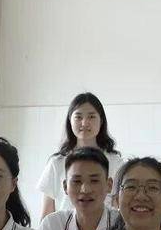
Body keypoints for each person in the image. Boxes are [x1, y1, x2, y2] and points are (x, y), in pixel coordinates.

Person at [37, 92, 123, 220]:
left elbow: (119, 207)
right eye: (78, 117)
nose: (84, 123)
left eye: (91, 117)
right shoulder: (57, 163)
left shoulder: (116, 162)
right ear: (70, 121)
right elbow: (47, 213)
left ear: (101, 121)